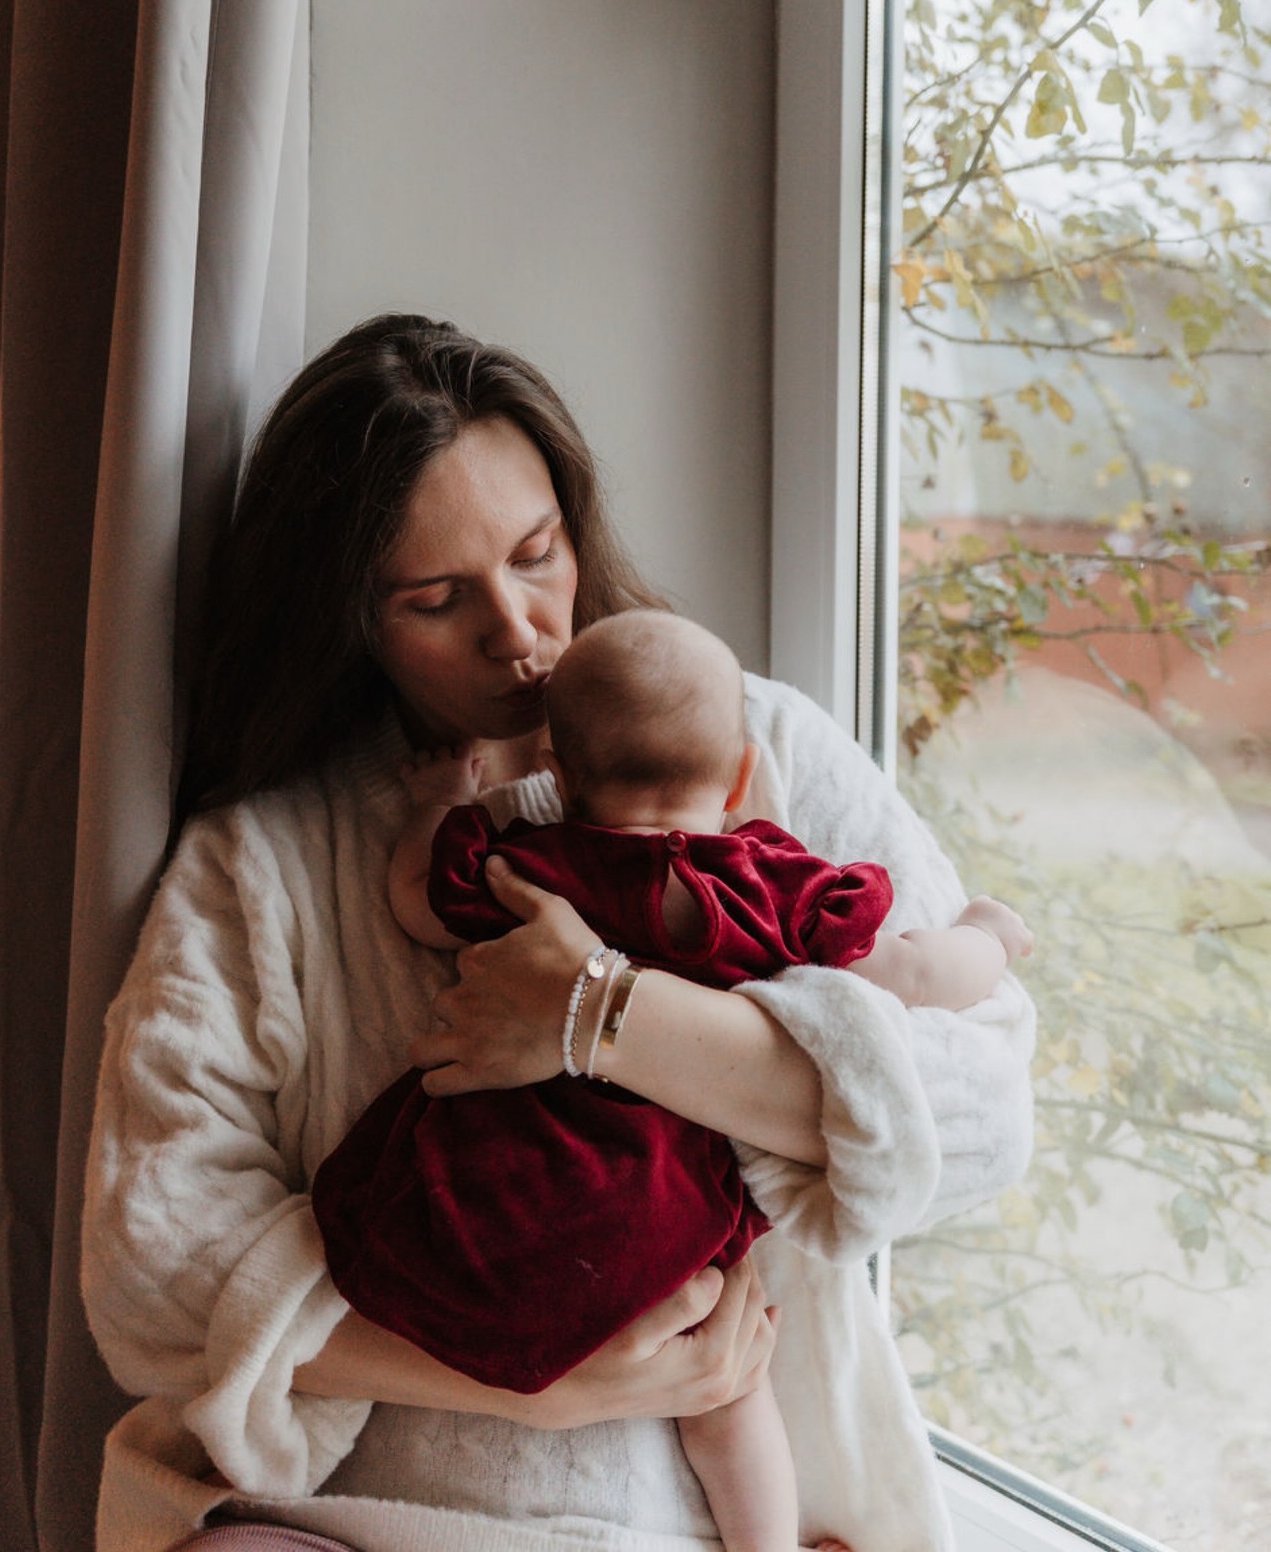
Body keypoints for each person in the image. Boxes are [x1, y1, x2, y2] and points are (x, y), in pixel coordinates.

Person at [81, 314, 1037, 1552]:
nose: (519, 631)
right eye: (436, 599)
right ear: (351, 617)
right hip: (350, 1520)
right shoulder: (265, 860)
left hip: (706, 1516)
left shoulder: (766, 749)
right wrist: (533, 1373)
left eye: (538, 555)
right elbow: (150, 1269)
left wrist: (608, 1015)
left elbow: (983, 1113)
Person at [312, 609, 1030, 1552]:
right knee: (728, 1398)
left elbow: (416, 900)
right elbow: (909, 978)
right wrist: (986, 937)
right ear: (739, 774)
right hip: (659, 1224)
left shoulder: (533, 865)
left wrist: (449, 803)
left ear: (558, 779)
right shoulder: (773, 886)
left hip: (494, 1201)